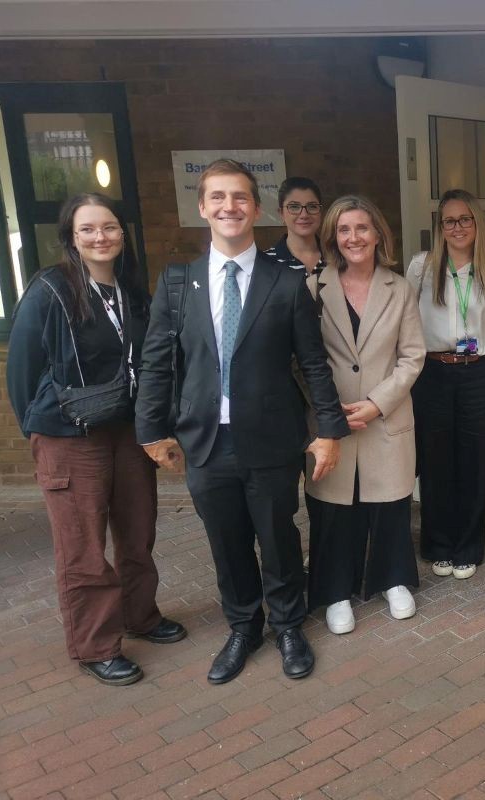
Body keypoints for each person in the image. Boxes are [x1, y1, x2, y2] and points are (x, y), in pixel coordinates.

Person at [135, 158, 349, 684]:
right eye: (218, 197)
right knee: (227, 544)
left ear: (255, 208)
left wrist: (327, 431)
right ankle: (243, 627)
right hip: (206, 442)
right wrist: (151, 428)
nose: (229, 207)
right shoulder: (179, 283)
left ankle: (288, 625)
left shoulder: (284, 281)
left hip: (272, 440)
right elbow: (157, 359)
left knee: (277, 537)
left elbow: (313, 361)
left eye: (240, 198)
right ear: (203, 207)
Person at [6, 193, 186, 686]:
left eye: (108, 227)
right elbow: (22, 369)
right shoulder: (51, 289)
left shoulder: (130, 290)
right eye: (88, 229)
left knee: (137, 530)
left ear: (122, 234)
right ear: (71, 238)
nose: (100, 237)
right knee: (83, 546)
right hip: (70, 435)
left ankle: (141, 616)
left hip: (127, 430)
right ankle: (95, 645)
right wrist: (42, 428)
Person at [304, 196, 425, 634]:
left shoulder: (400, 288)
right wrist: (327, 409)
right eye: (344, 230)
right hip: (331, 420)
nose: (353, 237)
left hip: (385, 416)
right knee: (336, 510)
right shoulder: (314, 287)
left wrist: (377, 403)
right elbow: (303, 356)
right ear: (334, 237)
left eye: (362, 228)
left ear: (377, 234)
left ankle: (393, 580)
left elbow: (412, 357)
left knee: (390, 505)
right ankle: (336, 591)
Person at [407, 189, 485, 580]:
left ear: (477, 224)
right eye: (449, 220)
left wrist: (480, 366)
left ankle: (468, 546)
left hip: (479, 374)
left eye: (465, 219)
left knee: (475, 461)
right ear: (440, 226)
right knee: (435, 462)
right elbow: (408, 324)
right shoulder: (421, 267)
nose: (457, 227)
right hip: (432, 373)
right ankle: (438, 543)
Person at [263, 176, 325, 273]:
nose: (304, 215)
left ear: (320, 212)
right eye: (294, 207)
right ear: (281, 213)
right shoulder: (264, 262)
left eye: (312, 206)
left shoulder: (337, 258)